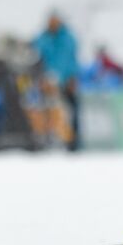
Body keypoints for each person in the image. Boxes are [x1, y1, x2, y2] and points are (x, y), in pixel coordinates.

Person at [34, 12, 81, 149]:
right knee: (47, 111)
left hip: (66, 80)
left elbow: (72, 59)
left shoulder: (68, 38)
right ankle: (48, 140)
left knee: (71, 112)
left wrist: (73, 77)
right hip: (47, 82)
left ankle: (73, 143)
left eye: (54, 21)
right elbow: (37, 58)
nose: (52, 24)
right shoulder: (43, 38)